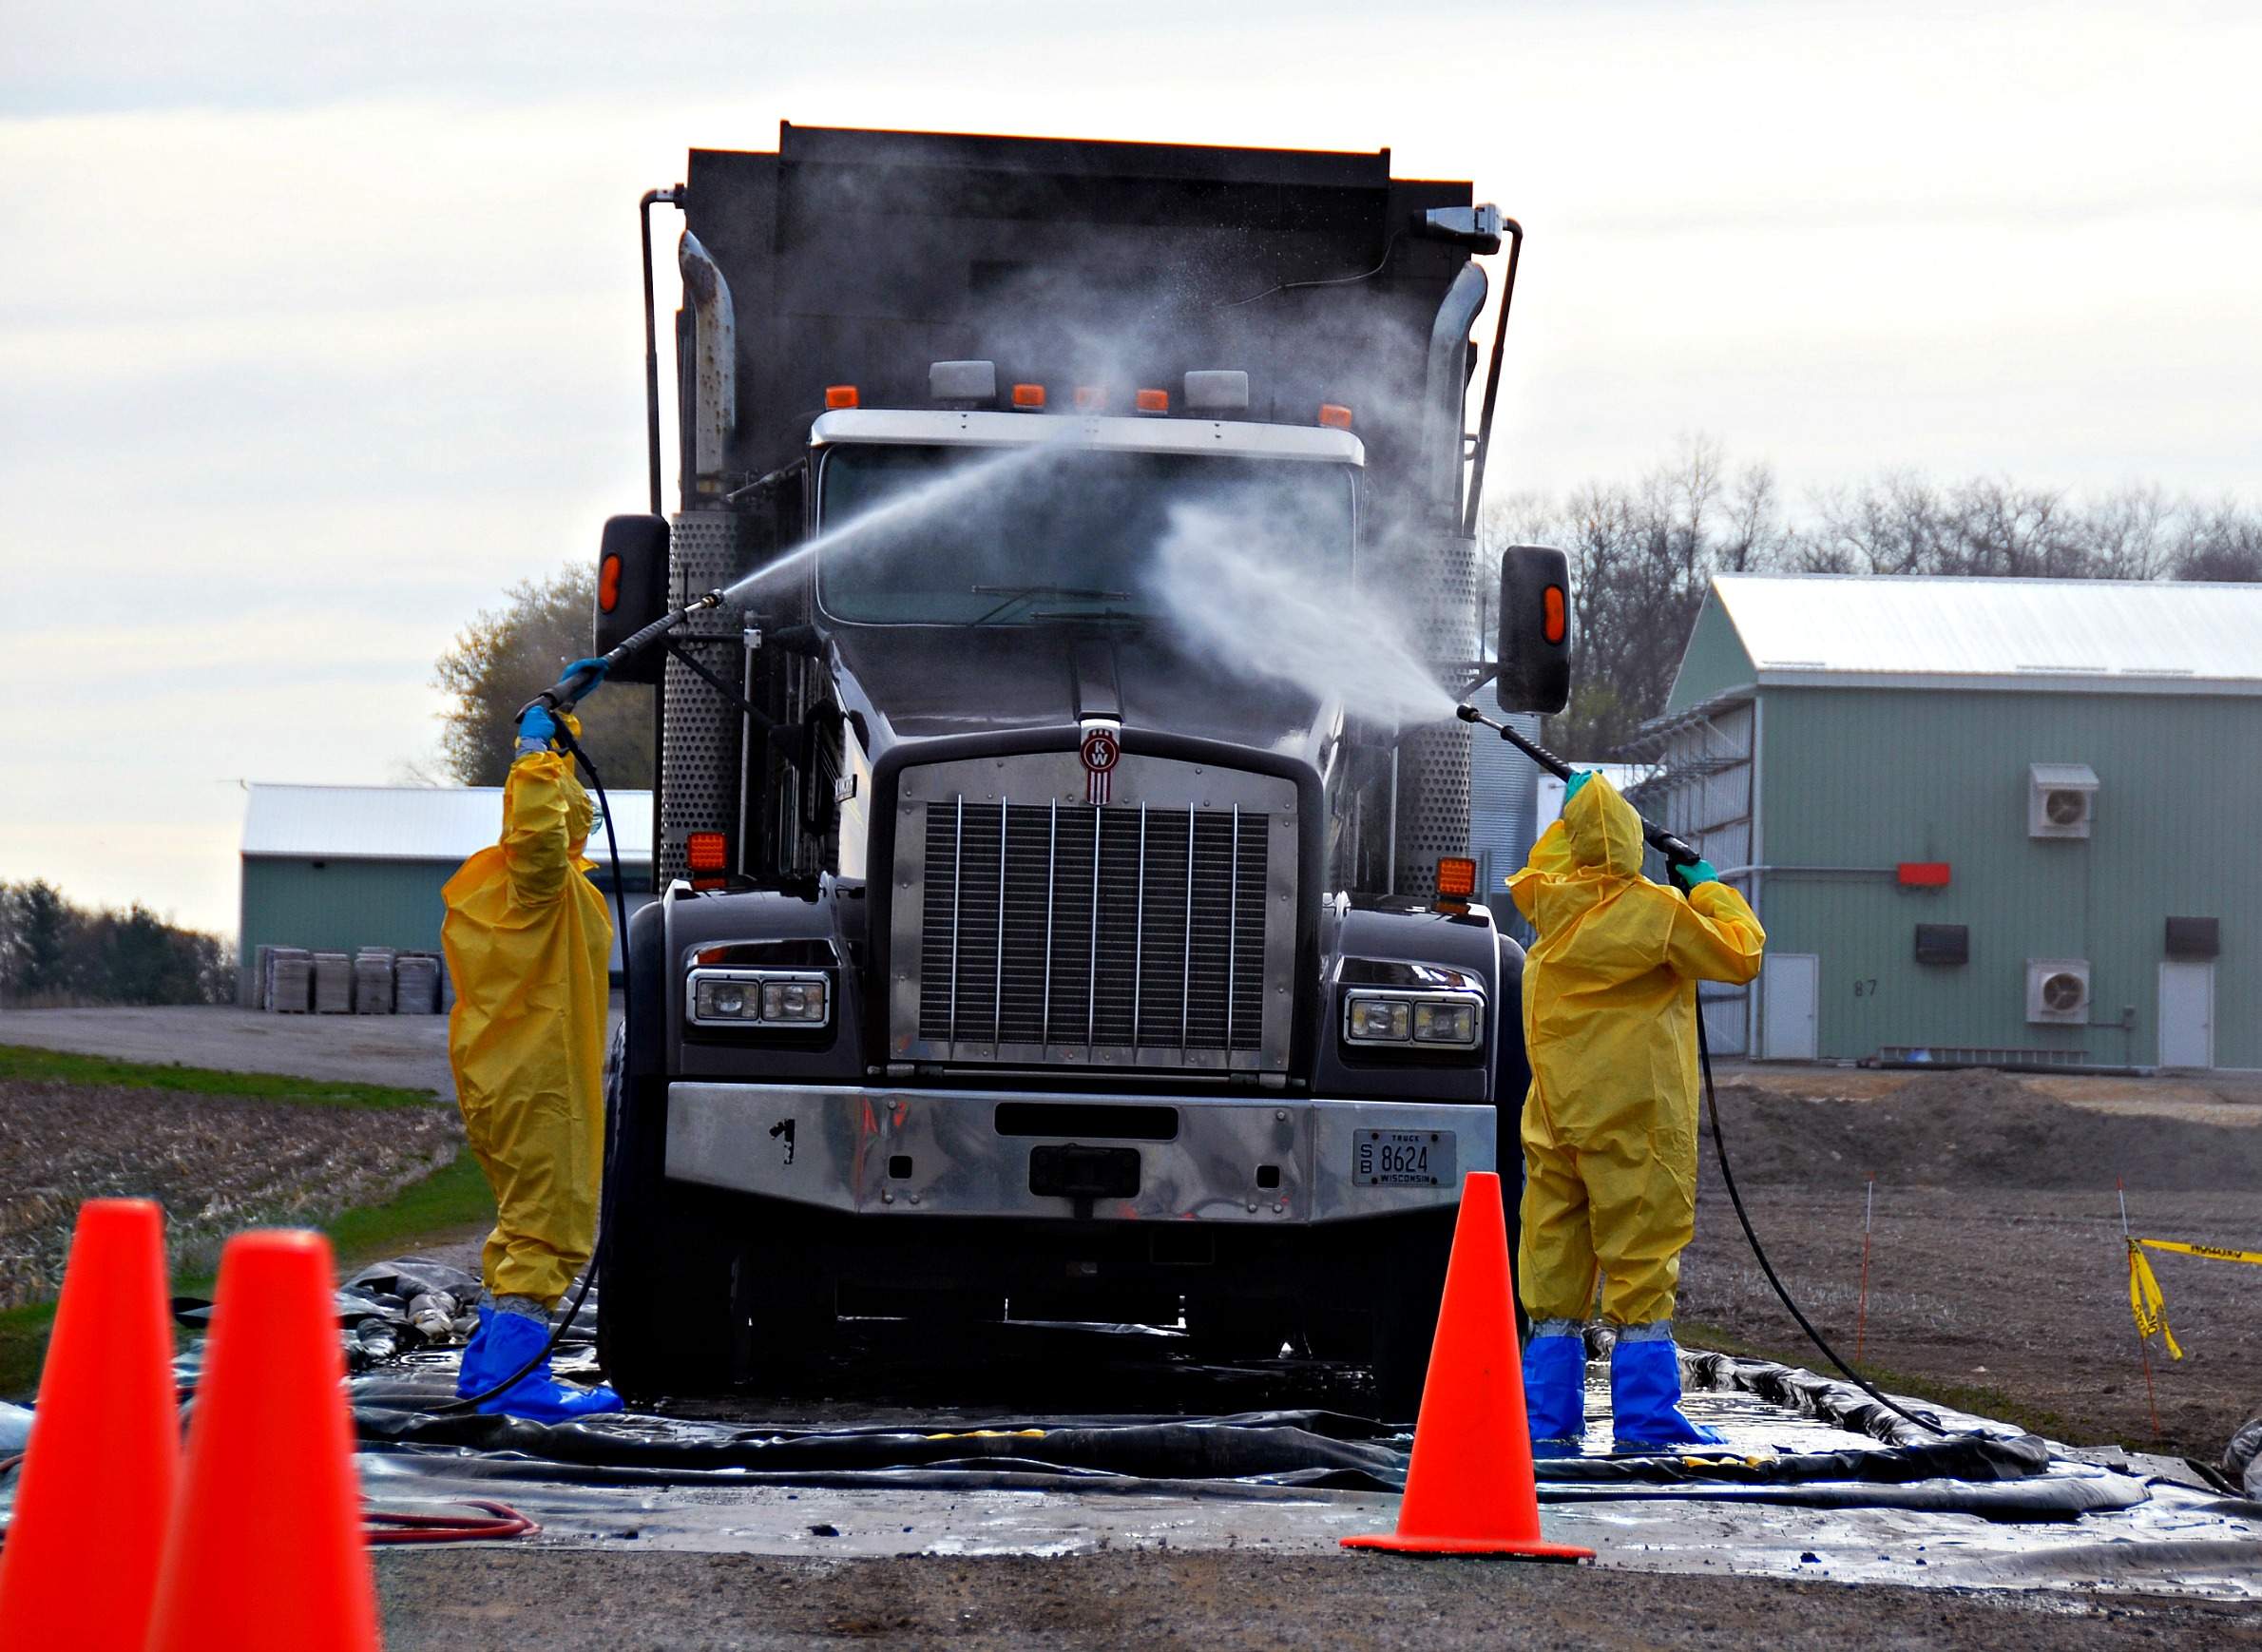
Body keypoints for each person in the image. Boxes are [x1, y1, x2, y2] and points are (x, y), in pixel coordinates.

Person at [1507, 770, 1765, 1450]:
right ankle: (1648, 1423)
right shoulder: (1653, 914)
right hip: (1635, 1124)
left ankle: (1545, 1427)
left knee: (1552, 1271)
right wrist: (1705, 885)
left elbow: (1558, 857)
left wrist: (1577, 817)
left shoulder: (1548, 906)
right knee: (1641, 1268)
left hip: (1555, 1122)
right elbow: (1743, 953)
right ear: (1628, 841)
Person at [440, 669, 625, 1421]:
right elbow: (543, 831)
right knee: (550, 1224)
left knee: (530, 1219)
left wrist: (563, 725)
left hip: (521, 1077)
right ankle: (518, 1386)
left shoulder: (531, 887)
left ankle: (489, 1370)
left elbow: (554, 828)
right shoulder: (535, 885)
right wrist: (533, 752)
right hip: (540, 1079)